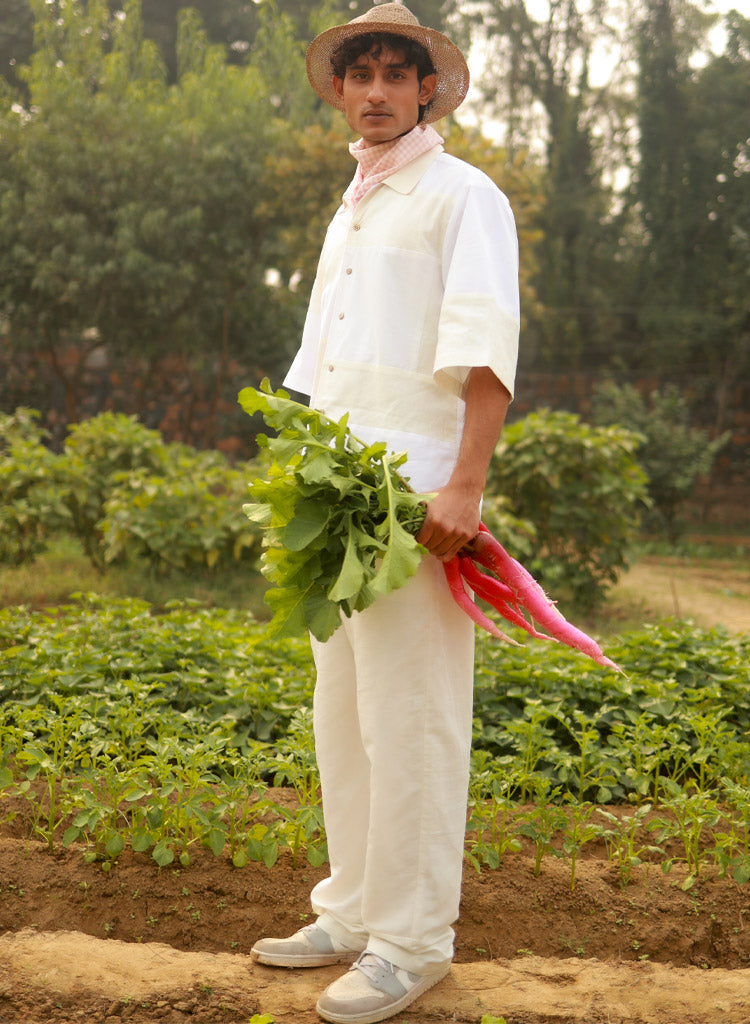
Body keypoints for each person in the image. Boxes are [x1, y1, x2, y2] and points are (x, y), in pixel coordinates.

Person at [251, 4, 520, 1022]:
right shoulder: (354, 205)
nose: (372, 91)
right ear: (341, 90)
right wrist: (304, 482)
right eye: (356, 73)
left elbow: (486, 347)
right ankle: (354, 911)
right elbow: (322, 365)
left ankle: (413, 942)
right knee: (347, 712)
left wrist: (464, 486)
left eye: (391, 75)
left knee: (412, 716)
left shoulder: (463, 197)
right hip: (342, 494)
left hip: (419, 500)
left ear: (425, 90)